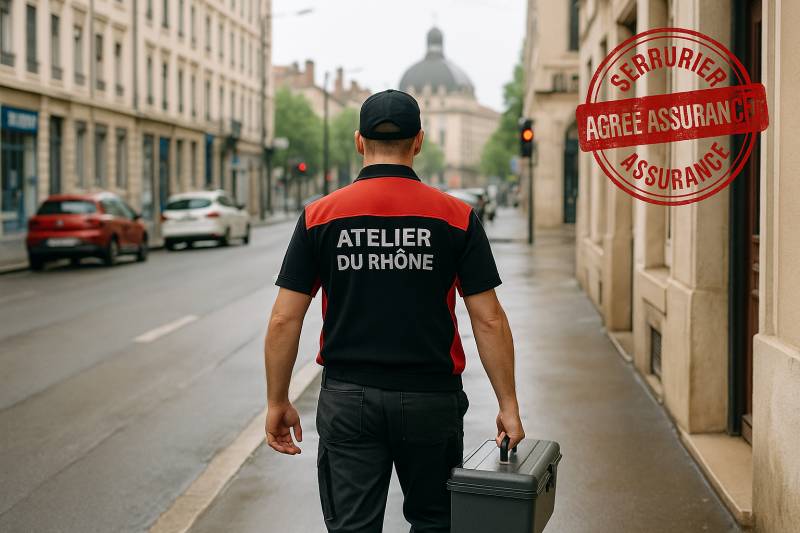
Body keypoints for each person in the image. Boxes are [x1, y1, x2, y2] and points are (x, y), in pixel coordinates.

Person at [264, 89, 524, 533]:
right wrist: (509, 404)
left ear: (359, 142)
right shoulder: (457, 217)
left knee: (353, 526)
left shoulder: (319, 216)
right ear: (418, 141)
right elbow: (489, 318)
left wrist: (277, 400)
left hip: (349, 398)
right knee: (434, 521)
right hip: (431, 397)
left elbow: (285, 318)